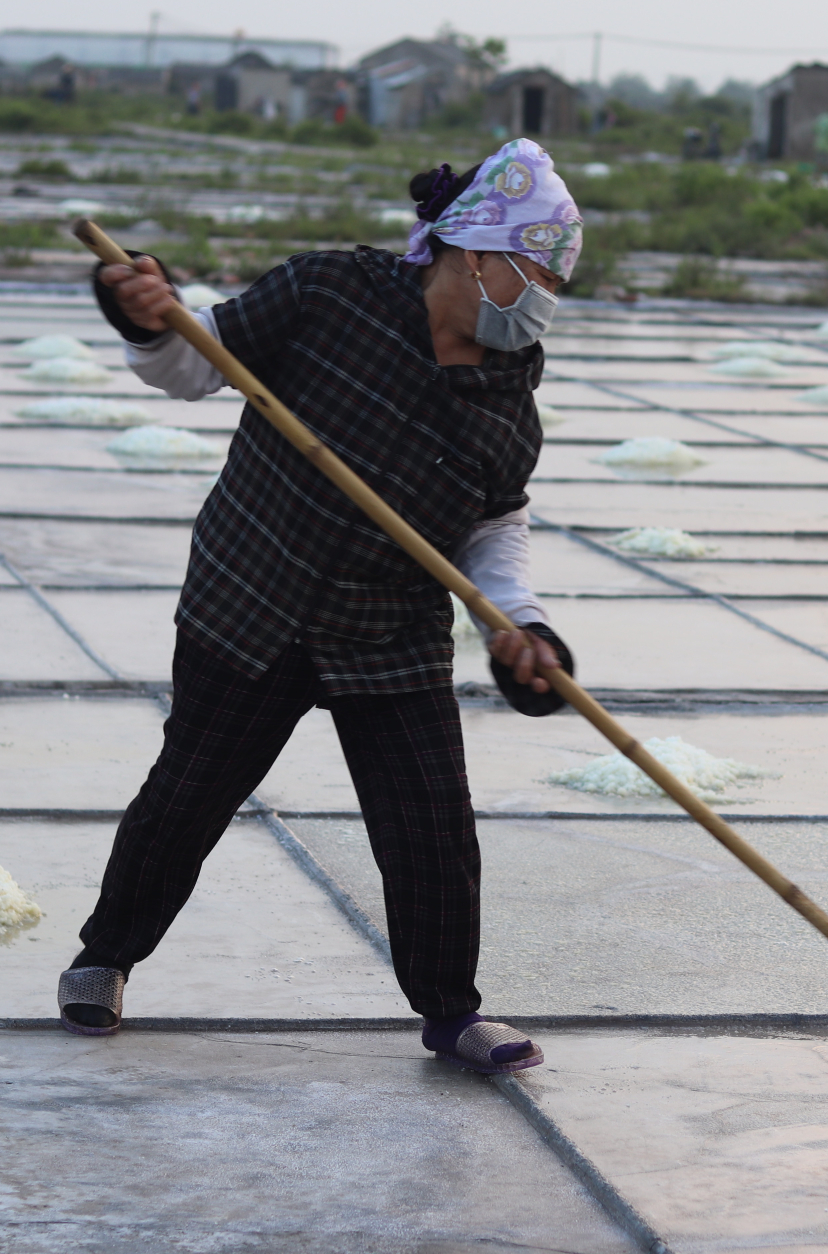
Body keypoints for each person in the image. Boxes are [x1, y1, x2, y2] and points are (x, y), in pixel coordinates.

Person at [58, 137, 584, 1077]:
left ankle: (453, 1012)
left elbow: (495, 533)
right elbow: (193, 367)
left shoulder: (509, 399)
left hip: (389, 630)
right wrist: (144, 315)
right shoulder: (330, 293)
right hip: (253, 596)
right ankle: (105, 957)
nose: (543, 294)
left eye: (554, 277)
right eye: (535, 269)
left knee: (431, 825)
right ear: (474, 252)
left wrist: (523, 626)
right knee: (188, 796)